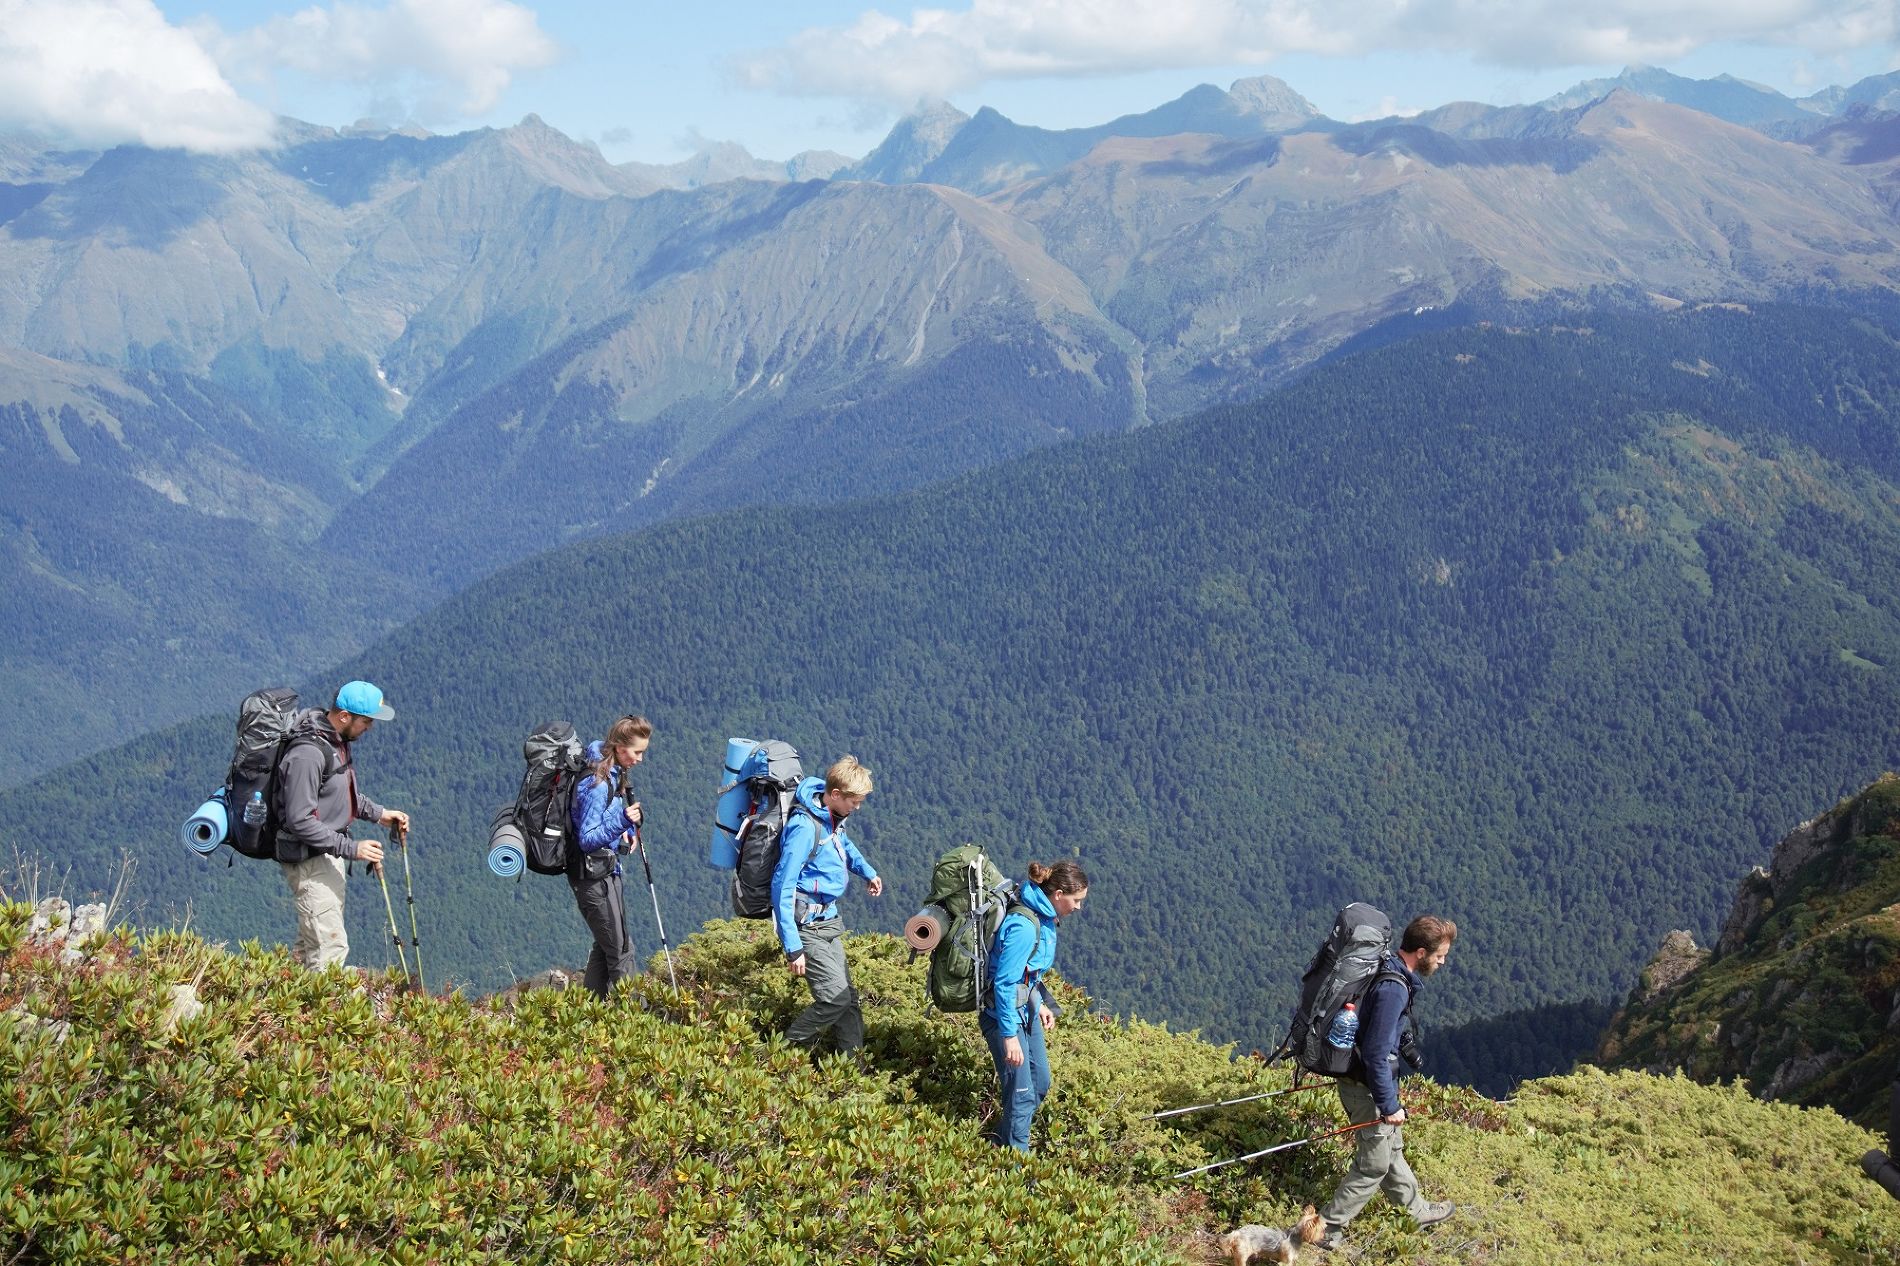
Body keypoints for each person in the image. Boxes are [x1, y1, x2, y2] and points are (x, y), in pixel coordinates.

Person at [1318, 915, 1459, 1247]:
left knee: (1390, 1148)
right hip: (1367, 1089)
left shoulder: (1389, 967)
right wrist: (1389, 1105)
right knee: (1374, 1164)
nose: (1442, 962)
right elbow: (1377, 1053)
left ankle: (1416, 1210)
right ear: (1421, 952)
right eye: (1439, 956)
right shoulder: (1393, 987)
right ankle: (1325, 1229)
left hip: (1366, 1084)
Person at [273, 679, 410, 970]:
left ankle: (289, 1000)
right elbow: (299, 819)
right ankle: (323, 1012)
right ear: (344, 716)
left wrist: (380, 814)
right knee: (330, 948)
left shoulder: (336, 742)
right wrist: (351, 848)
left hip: (325, 854)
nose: (370, 727)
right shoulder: (308, 753)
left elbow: (340, 793)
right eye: (366, 721)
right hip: (308, 860)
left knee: (311, 944)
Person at [771, 755, 883, 1057]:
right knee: (835, 998)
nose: (857, 808)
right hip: (806, 925)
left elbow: (843, 845)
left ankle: (851, 1074)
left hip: (829, 921)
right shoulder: (804, 828)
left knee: (849, 1001)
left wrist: (867, 871)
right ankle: (781, 1054)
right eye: (854, 802)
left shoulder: (831, 817)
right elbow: (782, 886)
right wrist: (792, 946)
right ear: (835, 794)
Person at [981, 858, 1088, 1152]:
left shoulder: (1045, 918)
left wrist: (1039, 1003)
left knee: (1039, 1083)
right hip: (1004, 1018)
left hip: (1024, 1010)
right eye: (1076, 900)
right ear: (1058, 895)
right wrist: (1009, 1036)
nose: (1078, 907)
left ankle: (999, 1143)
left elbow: (1028, 974)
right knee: (1021, 1094)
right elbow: (1004, 984)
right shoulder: (1025, 926)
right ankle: (1017, 1170)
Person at [568, 715, 652, 999]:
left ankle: (591, 1013)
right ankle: (634, 1024)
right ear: (618, 747)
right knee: (622, 952)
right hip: (592, 878)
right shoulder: (598, 784)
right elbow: (587, 839)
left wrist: (622, 836)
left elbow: (598, 826)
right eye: (637, 752)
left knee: (607, 948)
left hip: (603, 873)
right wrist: (621, 821)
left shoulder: (611, 774)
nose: (640, 759)